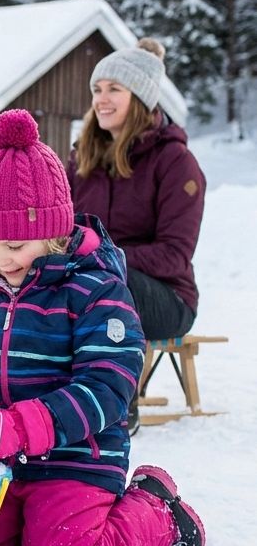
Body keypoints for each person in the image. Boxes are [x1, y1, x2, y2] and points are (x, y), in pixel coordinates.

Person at [0, 109, 205, 546]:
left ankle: (158, 510)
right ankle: (29, 518)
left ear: (53, 232)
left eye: (13, 246)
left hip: (77, 455)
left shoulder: (94, 289)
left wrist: (17, 427)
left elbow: (108, 388)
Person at [68, 38, 206, 343]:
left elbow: (174, 255)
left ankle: (110, 391)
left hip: (167, 296)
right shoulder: (81, 159)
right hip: (92, 280)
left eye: (114, 89)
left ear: (140, 97)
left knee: (102, 287)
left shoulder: (175, 162)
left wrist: (105, 258)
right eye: (97, 89)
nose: (101, 99)